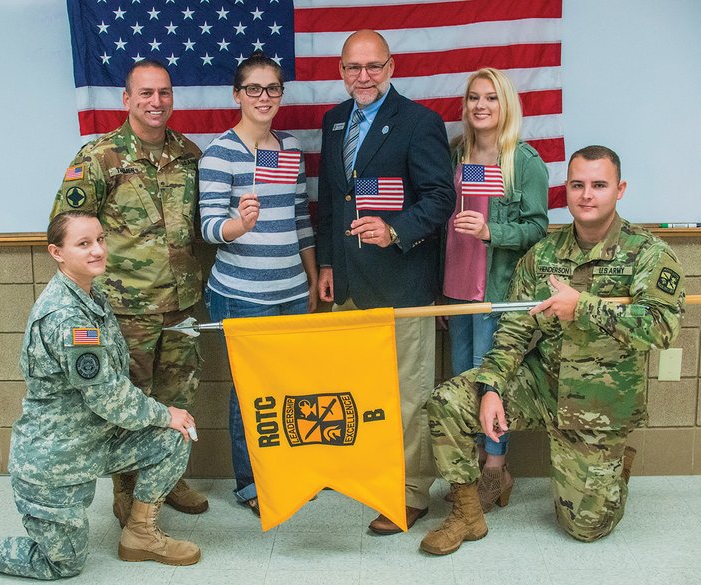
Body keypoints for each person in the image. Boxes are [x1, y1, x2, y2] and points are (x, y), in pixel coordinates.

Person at [421, 146, 685, 555]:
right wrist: (490, 387)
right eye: (577, 185)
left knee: (584, 528)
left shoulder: (648, 254)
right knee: (448, 400)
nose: (587, 195)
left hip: (599, 403)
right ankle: (467, 515)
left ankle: (612, 466)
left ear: (620, 189)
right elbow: (512, 332)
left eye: (599, 185)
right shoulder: (543, 255)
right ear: (567, 190)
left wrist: (583, 307)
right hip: (541, 386)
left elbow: (662, 328)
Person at [0, 212, 201, 578]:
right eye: (84, 244)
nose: (97, 250)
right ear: (57, 252)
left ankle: (140, 535)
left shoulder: (93, 295)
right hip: (56, 459)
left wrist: (166, 418)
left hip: (96, 440)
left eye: (100, 240)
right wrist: (164, 412)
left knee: (173, 436)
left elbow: (111, 386)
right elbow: (107, 396)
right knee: (62, 563)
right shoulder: (67, 317)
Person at [50, 59, 208, 522]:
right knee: (128, 401)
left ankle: (171, 478)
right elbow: (67, 227)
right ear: (127, 99)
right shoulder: (99, 157)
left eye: (163, 93)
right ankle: (127, 491)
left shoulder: (189, 154)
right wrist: (85, 296)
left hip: (181, 305)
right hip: (125, 307)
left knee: (179, 396)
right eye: (145, 93)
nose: (155, 102)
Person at [316, 29, 456, 534]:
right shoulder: (333, 123)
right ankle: (368, 473)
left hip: (401, 282)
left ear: (392, 68)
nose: (364, 77)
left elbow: (440, 199)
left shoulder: (420, 123)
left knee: (409, 394)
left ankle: (412, 491)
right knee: (355, 389)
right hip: (350, 282)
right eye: (354, 67)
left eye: (374, 66)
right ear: (341, 71)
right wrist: (329, 265)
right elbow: (333, 201)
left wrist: (394, 229)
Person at [198, 51, 318, 516]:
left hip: (290, 289)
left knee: (289, 385)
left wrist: (310, 277)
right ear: (237, 95)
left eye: (272, 89)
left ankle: (288, 470)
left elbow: (300, 218)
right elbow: (208, 227)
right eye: (254, 89)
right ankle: (250, 483)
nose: (263, 97)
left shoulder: (288, 147)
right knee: (251, 390)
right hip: (241, 293)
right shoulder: (219, 153)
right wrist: (237, 226)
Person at [441, 68, 549, 510]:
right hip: (456, 287)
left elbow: (538, 228)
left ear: (506, 106)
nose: (481, 106)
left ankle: (495, 470)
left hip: (497, 290)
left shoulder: (522, 160)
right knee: (462, 382)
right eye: (473, 98)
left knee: (490, 383)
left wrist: (491, 231)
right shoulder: (455, 153)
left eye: (491, 98)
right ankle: (470, 469)